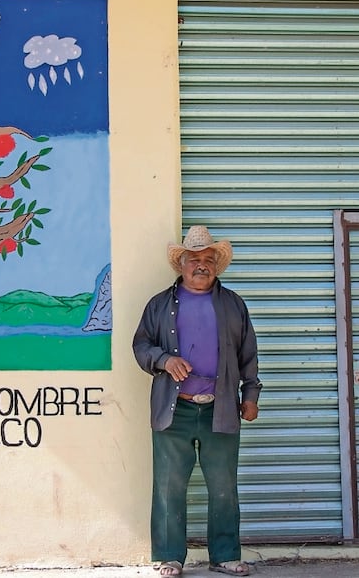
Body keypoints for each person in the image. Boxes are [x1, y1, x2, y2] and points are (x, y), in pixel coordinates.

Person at [132, 225, 262, 577]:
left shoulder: (234, 305)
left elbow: (248, 354)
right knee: (169, 484)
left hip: (220, 408)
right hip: (174, 409)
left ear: (216, 265)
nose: (201, 265)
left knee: (223, 485)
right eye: (194, 259)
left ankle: (224, 555)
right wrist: (164, 360)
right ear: (182, 264)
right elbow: (141, 346)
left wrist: (250, 395)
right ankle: (170, 556)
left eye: (208, 259)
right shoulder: (159, 305)